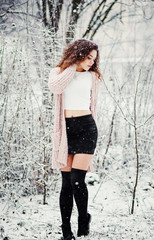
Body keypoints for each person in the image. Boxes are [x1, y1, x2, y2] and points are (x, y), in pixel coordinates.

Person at [48, 39, 102, 240]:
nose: (91, 62)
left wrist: (82, 66)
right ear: (78, 53)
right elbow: (56, 87)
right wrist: (71, 65)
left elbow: (92, 104)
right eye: (88, 57)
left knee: (78, 179)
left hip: (87, 128)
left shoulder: (93, 77)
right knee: (66, 183)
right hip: (65, 131)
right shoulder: (58, 73)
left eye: (93, 59)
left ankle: (83, 218)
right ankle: (66, 230)